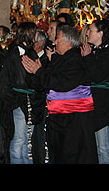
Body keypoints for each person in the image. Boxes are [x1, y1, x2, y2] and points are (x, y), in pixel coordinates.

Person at [22, 23, 98, 164]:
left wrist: (38, 71)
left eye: (58, 39)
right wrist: (32, 73)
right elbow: (43, 84)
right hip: (59, 121)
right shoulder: (59, 60)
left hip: (74, 122)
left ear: (68, 42)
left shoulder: (75, 60)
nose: (54, 42)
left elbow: (61, 84)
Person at [0, 21, 47, 164]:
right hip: (20, 103)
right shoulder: (13, 55)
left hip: (30, 103)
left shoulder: (32, 54)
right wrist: (14, 103)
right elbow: (6, 83)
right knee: (19, 141)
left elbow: (36, 80)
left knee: (27, 142)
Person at [81, 19, 109, 164]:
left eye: (91, 31)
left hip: (104, 105)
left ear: (101, 33)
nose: (87, 34)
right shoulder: (94, 52)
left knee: (104, 148)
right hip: (92, 104)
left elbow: (97, 76)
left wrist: (88, 57)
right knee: (96, 149)